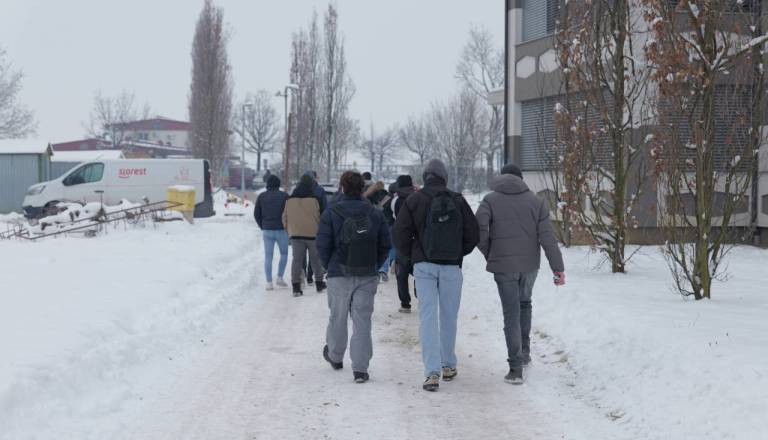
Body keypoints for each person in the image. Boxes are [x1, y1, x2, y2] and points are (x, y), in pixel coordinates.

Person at [392, 159, 479, 392]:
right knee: (449, 317)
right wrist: (457, 253)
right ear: (445, 177)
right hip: (451, 267)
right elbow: (473, 235)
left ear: (426, 176)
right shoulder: (458, 200)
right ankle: (449, 364)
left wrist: (412, 259)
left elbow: (399, 234)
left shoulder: (414, 200)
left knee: (428, 318)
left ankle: (431, 372)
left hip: (424, 267)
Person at [475, 163, 565, 385]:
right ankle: (524, 353)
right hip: (529, 266)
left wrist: (492, 254)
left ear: (502, 177)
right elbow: (548, 238)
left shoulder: (490, 200)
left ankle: (515, 369)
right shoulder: (536, 202)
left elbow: (479, 232)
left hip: (504, 267)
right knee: (525, 304)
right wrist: (558, 268)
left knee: (511, 312)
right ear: (521, 179)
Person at [317, 171, 391, 384]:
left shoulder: (332, 212)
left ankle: (335, 355)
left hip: (338, 273)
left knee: (337, 316)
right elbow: (385, 243)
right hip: (366, 273)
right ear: (362, 188)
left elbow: (322, 243)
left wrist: (329, 264)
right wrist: (374, 264)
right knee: (362, 320)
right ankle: (360, 369)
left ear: (342, 187)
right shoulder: (374, 212)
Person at [283, 175, 327, 297]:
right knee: (316, 260)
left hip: (296, 234)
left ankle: (296, 287)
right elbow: (322, 216)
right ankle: (319, 283)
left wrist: (289, 229)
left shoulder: (289, 200)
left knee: (297, 260)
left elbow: (284, 217)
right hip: (313, 234)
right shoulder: (315, 199)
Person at [384, 175, 416, 312]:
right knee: (420, 270)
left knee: (401, 273)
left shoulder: (394, 200)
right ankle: (420, 292)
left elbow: (387, 218)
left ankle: (405, 303)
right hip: (419, 240)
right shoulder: (418, 197)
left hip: (402, 240)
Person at [254, 174, 289, 291]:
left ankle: (269, 282)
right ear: (278, 185)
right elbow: (289, 212)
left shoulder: (261, 196)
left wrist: (262, 225)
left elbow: (256, 214)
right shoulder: (285, 196)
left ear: (267, 185)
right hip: (282, 230)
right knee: (284, 254)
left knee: (268, 256)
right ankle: (279, 277)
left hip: (267, 230)